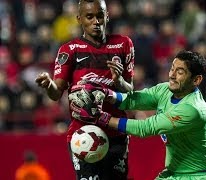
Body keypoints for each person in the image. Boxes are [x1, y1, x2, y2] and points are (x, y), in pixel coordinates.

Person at [69, 50, 206, 179]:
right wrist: (106, 93)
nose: (172, 75)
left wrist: (101, 118)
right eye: (172, 68)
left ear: (196, 80)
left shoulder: (192, 109)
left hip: (197, 176)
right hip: (173, 174)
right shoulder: (165, 90)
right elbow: (133, 100)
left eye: (180, 72)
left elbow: (146, 127)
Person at [35, 0, 135, 179]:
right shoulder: (70, 50)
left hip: (116, 132)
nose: (96, 21)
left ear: (107, 16)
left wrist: (118, 80)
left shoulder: (123, 44)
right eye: (89, 17)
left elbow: (130, 90)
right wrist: (49, 84)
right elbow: (56, 93)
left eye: (99, 16)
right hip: (84, 134)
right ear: (79, 19)